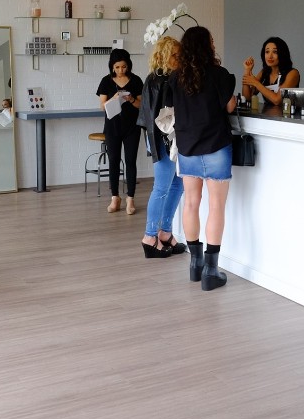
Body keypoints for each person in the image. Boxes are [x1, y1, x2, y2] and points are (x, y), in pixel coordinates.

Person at [166, 26, 237, 291]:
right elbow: (229, 106)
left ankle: (194, 265)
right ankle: (211, 270)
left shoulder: (175, 78)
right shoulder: (220, 75)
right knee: (216, 206)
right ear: (207, 46)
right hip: (216, 144)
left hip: (187, 146)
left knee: (191, 204)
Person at [137, 35, 185, 258]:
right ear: (165, 56)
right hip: (163, 138)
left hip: (166, 138)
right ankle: (149, 236)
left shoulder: (158, 79)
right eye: (174, 55)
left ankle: (165, 233)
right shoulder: (160, 79)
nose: (178, 59)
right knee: (163, 187)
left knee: (177, 185)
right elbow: (158, 118)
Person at [96, 48, 143, 215]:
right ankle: (115, 197)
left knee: (130, 162)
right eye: (117, 67)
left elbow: (141, 105)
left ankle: (130, 198)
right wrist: (113, 99)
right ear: (112, 67)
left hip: (132, 127)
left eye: (123, 67)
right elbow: (102, 106)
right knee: (113, 161)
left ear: (128, 65)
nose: (120, 70)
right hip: (112, 127)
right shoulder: (106, 81)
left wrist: (130, 99)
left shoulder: (136, 80)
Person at [242, 36, 301, 107]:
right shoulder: (264, 72)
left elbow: (277, 100)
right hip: (268, 116)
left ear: (282, 54)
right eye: (267, 52)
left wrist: (256, 83)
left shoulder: (292, 73)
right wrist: (247, 70)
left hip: (287, 116)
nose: (270, 56)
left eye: (275, 52)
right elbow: (247, 98)